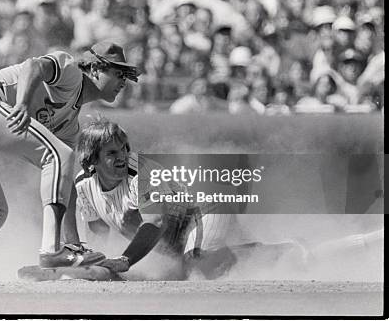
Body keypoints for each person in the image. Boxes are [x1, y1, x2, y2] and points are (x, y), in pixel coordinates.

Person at [0, 41, 140, 282]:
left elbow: (66, 186)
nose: (124, 82)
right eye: (118, 73)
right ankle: (51, 250)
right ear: (94, 69)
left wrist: (74, 245)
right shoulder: (71, 71)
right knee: (59, 155)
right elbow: (33, 65)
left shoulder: (69, 125)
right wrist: (21, 103)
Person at [72, 118, 310, 280]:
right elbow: (98, 231)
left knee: (196, 268)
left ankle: (286, 250)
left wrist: (125, 260)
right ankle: (261, 252)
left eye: (124, 148)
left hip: (204, 209)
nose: (123, 155)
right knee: (186, 270)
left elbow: (154, 223)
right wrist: (96, 263)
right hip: (175, 232)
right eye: (112, 153)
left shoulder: (142, 172)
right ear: (92, 159)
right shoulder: (83, 184)